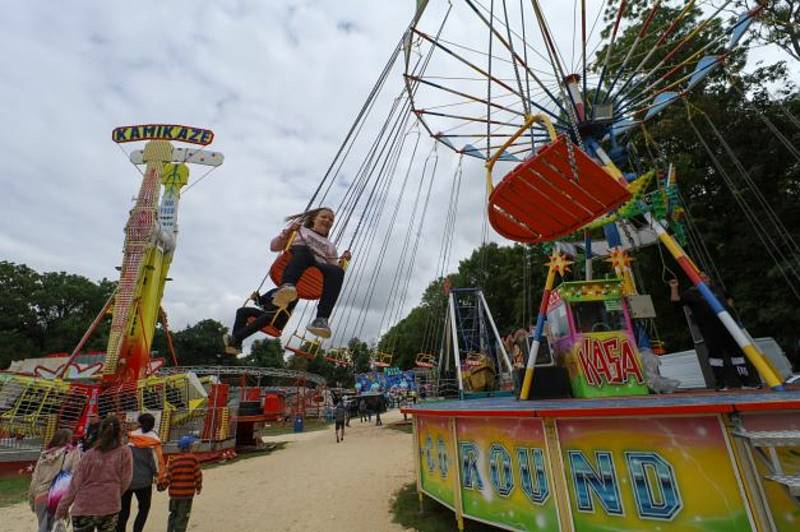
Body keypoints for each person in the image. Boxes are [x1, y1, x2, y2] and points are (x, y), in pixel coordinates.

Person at [269, 207, 352, 339]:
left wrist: (342, 261)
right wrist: (289, 231)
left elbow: (333, 270)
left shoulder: (330, 246)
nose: (327, 220)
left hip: (316, 267)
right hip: (298, 258)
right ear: (314, 218)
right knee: (304, 252)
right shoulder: (300, 230)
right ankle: (286, 286)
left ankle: (321, 319)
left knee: (338, 272)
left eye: (331, 219)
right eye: (324, 217)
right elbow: (274, 247)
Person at [669, 277, 760, 389]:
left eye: (706, 276)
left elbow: (729, 297)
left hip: (727, 326)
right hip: (709, 329)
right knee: (715, 355)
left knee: (736, 352)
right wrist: (674, 287)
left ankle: (746, 381)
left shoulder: (717, 289)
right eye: (702, 277)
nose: (706, 278)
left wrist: (729, 310)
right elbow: (676, 302)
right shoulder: (691, 293)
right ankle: (720, 383)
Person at [56, 415, 132, 532]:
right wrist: (114, 492)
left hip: (84, 506)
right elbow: (126, 480)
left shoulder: (89, 454)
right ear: (119, 432)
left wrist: (63, 506)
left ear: (100, 431)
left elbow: (75, 482)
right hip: (109, 506)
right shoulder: (125, 452)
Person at [117, 413, 163, 532]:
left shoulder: (129, 437)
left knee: (123, 510)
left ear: (139, 423)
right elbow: (156, 462)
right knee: (144, 508)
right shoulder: (154, 440)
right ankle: (137, 530)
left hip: (126, 480)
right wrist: (159, 476)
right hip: (144, 481)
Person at [29, 429, 81, 532]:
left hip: (39, 495)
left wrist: (32, 499)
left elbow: (35, 479)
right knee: (55, 528)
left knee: (44, 527)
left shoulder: (44, 455)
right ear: (68, 439)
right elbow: (76, 474)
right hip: (58, 496)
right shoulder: (72, 453)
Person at [223, 288, 299, 355]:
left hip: (278, 318)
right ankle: (236, 345)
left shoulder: (293, 293)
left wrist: (283, 295)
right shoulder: (274, 290)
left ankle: (235, 338)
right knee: (242, 311)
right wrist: (256, 298)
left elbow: (290, 305)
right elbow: (261, 301)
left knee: (267, 316)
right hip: (266, 314)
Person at [165, 435, 202, 532]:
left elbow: (168, 477)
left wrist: (162, 486)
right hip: (186, 494)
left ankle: (170, 530)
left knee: (173, 514)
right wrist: (198, 487)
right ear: (189, 447)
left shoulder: (174, 461)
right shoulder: (193, 459)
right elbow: (197, 475)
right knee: (183, 515)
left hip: (174, 494)